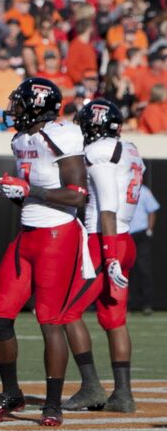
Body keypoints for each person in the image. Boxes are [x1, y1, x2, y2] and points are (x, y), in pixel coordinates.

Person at [0, 78, 89, 428]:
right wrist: (18, 194)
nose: (14, 108)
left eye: (20, 103)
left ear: (37, 106)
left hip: (58, 234)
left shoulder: (63, 135)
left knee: (50, 321)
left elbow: (77, 194)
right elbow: (30, 192)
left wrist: (31, 190)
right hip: (27, 233)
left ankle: (53, 403)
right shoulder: (20, 139)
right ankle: (11, 393)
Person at [61, 101, 142, 413]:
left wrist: (108, 256)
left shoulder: (98, 153)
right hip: (125, 239)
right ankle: (123, 394)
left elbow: (107, 207)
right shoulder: (131, 149)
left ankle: (91, 386)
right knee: (114, 319)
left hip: (106, 239)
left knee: (67, 312)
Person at [129, 184, 158, 315]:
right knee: (124, 271)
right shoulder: (122, 187)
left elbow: (152, 210)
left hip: (140, 234)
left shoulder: (144, 191)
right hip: (125, 234)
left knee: (143, 269)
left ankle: (146, 304)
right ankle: (127, 305)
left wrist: (149, 230)